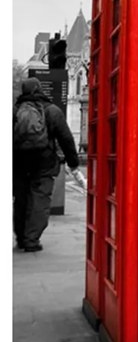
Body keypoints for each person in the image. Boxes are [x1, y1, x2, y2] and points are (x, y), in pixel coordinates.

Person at [13, 77, 83, 252]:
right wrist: (73, 163)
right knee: (40, 200)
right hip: (43, 163)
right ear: (39, 89)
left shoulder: (15, 110)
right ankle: (31, 239)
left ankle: (21, 237)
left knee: (21, 200)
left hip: (19, 164)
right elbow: (66, 139)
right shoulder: (52, 111)